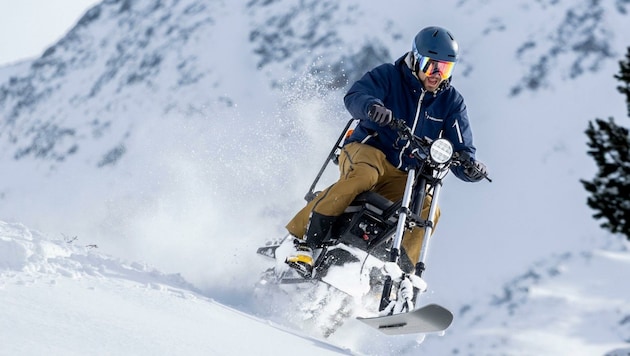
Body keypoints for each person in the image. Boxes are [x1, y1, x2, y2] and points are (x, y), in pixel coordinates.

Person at [285, 26, 487, 277]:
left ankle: (399, 276)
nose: (437, 75)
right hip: (368, 150)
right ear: (415, 59)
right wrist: (372, 108)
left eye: (444, 68)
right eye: (431, 66)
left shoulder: (451, 102)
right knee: (363, 177)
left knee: (427, 209)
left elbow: (461, 148)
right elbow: (356, 95)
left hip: (406, 172)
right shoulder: (390, 76)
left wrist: (469, 166)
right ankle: (302, 241)